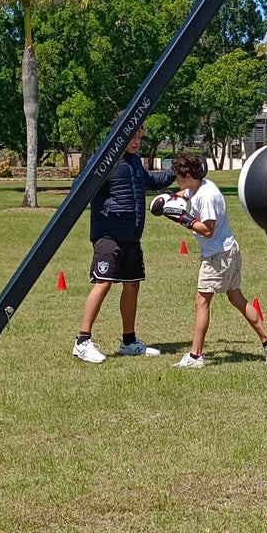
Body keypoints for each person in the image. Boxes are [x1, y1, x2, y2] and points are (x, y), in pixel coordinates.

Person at [159, 152, 267, 369]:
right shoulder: (200, 186)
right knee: (237, 298)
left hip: (217, 255)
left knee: (201, 302)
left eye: (178, 176)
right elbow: (185, 192)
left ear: (188, 175)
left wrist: (182, 219)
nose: (176, 180)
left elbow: (208, 230)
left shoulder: (205, 196)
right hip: (228, 250)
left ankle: (195, 356)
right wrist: (170, 199)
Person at [72, 121, 171, 363]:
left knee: (132, 285)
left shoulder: (135, 161)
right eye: (133, 136)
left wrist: (178, 172)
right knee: (103, 283)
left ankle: (129, 342)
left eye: (140, 135)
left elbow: (150, 181)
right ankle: (82, 342)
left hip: (131, 236)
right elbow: (80, 186)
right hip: (108, 236)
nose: (137, 140)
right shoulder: (106, 160)